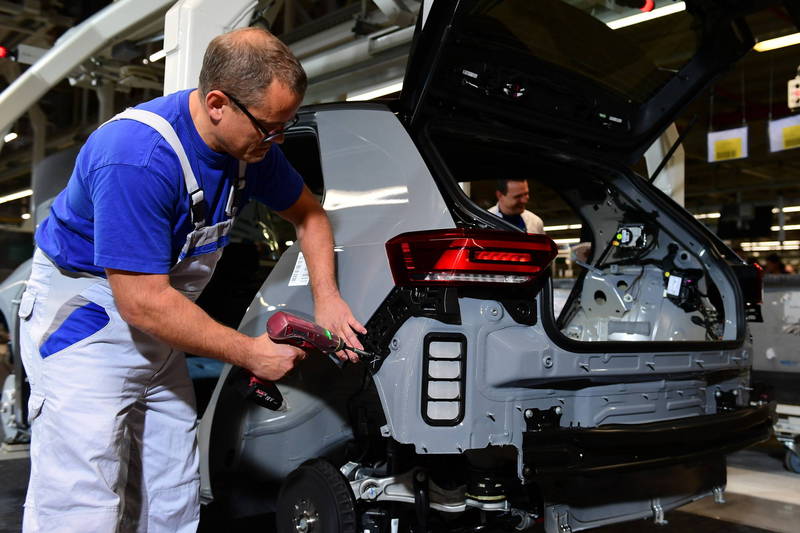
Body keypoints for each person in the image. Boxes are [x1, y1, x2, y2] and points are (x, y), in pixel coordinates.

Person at [17, 27, 365, 532]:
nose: (277, 141)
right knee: (82, 496)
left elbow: (309, 214)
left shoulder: (250, 150)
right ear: (219, 102)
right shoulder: (137, 157)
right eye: (269, 127)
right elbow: (140, 303)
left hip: (161, 324)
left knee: (171, 488)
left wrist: (327, 298)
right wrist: (250, 353)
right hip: (87, 323)